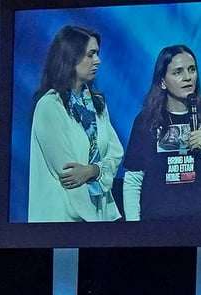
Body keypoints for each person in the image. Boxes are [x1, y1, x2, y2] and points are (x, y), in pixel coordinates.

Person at [122, 45, 201, 221]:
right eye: (178, 72)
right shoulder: (146, 120)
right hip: (157, 228)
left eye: (192, 70)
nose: (187, 77)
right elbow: (133, 179)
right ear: (162, 82)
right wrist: (134, 228)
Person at [28, 25, 124, 222]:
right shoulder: (50, 106)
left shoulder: (97, 104)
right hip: (62, 221)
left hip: (99, 221)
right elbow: (69, 174)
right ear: (71, 57)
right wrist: (98, 171)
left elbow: (116, 154)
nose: (98, 61)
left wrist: (93, 170)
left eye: (97, 54)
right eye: (91, 54)